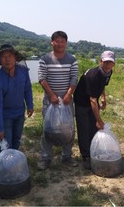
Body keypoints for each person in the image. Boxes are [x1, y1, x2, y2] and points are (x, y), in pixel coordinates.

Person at [37, 31, 79, 170]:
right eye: (57, 41)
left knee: (68, 128)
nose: (60, 43)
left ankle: (67, 157)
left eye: (63, 41)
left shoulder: (72, 59)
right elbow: (42, 78)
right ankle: (45, 158)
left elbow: (74, 79)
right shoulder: (45, 59)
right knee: (47, 128)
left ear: (66, 43)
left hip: (66, 100)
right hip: (50, 100)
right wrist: (51, 95)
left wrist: (68, 95)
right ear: (52, 42)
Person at [74, 51, 115, 170]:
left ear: (114, 64)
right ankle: (86, 156)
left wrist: (103, 98)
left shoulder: (108, 72)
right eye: (105, 62)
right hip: (82, 101)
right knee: (84, 128)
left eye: (110, 62)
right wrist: (100, 120)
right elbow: (92, 101)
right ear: (100, 61)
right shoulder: (93, 75)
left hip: (92, 99)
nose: (108, 64)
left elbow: (102, 86)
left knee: (93, 127)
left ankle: (93, 149)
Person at [0, 44, 34, 153]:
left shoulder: (23, 71)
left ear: (15, 58)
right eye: (3, 57)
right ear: (0, 60)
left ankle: (13, 164)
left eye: (10, 56)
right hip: (6, 116)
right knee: (6, 143)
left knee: (16, 140)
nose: (7, 59)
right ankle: (2, 167)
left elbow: (27, 89)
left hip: (20, 113)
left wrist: (30, 105)